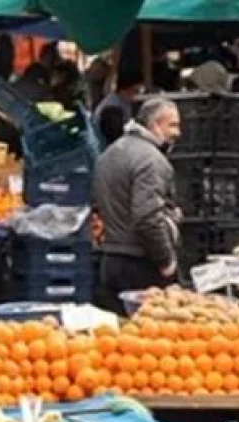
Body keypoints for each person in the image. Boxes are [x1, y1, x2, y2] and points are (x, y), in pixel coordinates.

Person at [93, 98, 183, 314]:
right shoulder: (152, 161)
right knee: (147, 337)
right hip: (140, 263)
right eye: (172, 125)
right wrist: (166, 262)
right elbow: (147, 217)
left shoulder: (109, 154)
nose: (178, 132)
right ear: (154, 125)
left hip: (111, 260)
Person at [94, 67, 144, 147]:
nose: (138, 95)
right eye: (136, 91)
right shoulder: (112, 108)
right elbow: (115, 137)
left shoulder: (124, 101)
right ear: (124, 89)